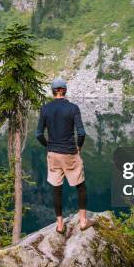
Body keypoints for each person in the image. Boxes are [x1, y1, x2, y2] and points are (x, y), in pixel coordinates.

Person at [36, 77, 94, 234]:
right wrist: (79, 147)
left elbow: (39, 134)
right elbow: (81, 132)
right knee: (80, 185)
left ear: (53, 91)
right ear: (65, 90)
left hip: (53, 154)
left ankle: (60, 225)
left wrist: (49, 146)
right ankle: (82, 221)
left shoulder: (45, 109)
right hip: (69, 152)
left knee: (57, 188)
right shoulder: (73, 108)